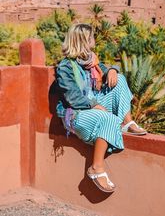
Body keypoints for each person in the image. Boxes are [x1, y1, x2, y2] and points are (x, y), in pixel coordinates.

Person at [56, 23, 147, 193]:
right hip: (75, 113)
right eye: (91, 37)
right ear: (82, 40)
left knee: (119, 79)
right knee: (109, 119)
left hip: (91, 104)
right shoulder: (65, 67)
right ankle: (96, 168)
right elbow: (72, 98)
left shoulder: (90, 60)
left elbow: (105, 70)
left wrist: (112, 70)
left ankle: (127, 122)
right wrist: (95, 106)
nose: (94, 39)